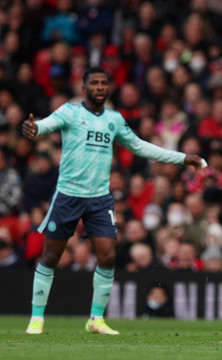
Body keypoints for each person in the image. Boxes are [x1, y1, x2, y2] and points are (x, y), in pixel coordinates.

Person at [22, 67, 205, 335]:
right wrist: (33, 127)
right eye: (94, 83)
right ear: (84, 88)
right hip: (68, 195)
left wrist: (181, 157)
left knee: (108, 256)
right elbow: (44, 125)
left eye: (104, 83)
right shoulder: (70, 112)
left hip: (99, 199)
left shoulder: (114, 120)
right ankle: (36, 318)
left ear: (109, 88)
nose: (99, 87)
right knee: (51, 256)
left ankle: (96, 319)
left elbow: (140, 147)